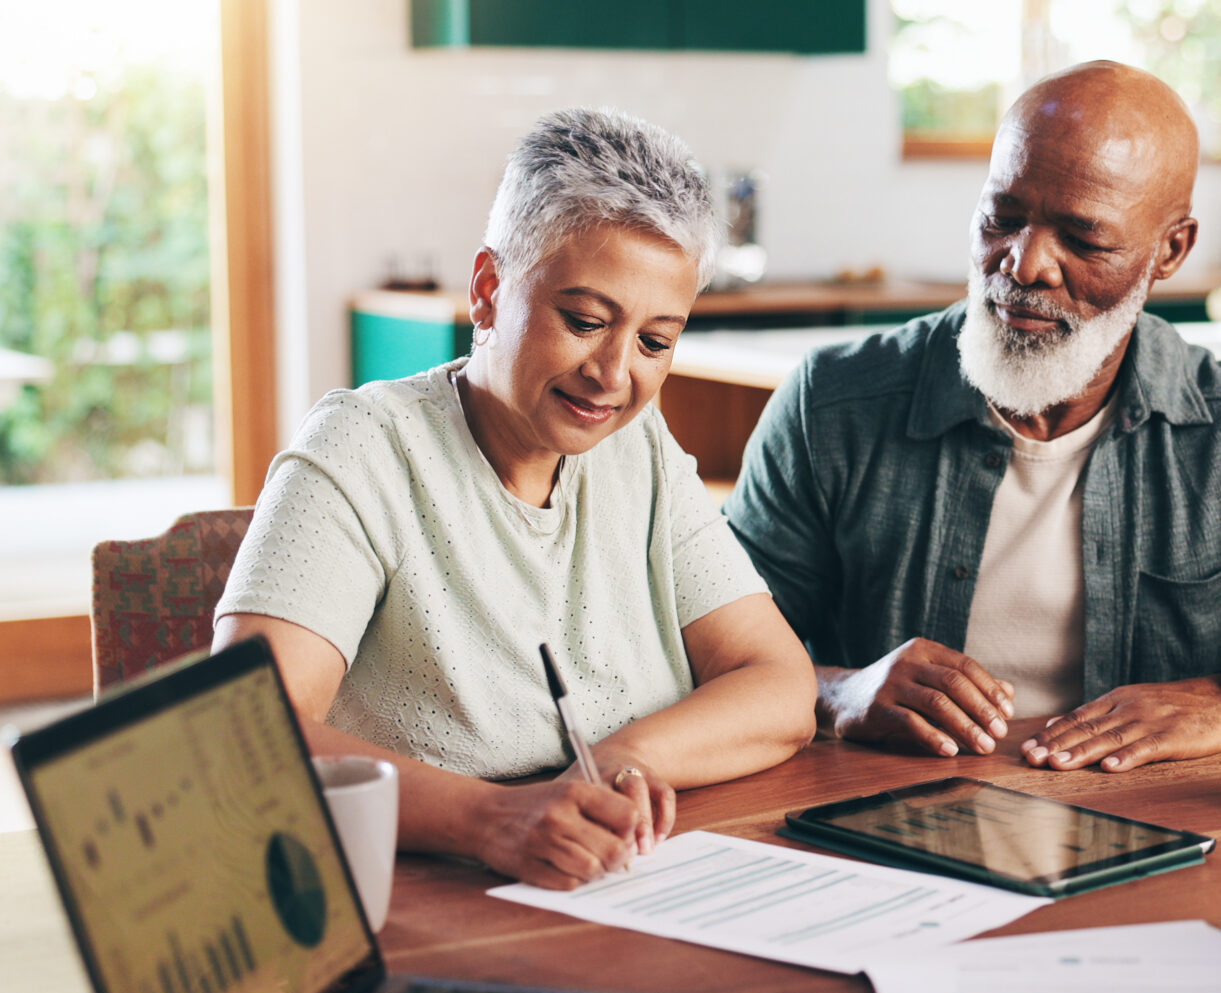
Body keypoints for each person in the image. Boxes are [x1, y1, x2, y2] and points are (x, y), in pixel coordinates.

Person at [724, 62, 1221, 773]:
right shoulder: (833, 404)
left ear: (1169, 252)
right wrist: (840, 691)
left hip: (1134, 831)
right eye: (1002, 217)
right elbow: (696, 651)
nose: (1025, 264)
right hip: (878, 824)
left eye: (1082, 239)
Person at [212, 108, 816, 891]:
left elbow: (780, 684)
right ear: (489, 290)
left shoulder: (640, 450)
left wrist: (617, 764)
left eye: (654, 341)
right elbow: (247, 728)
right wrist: (491, 820)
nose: (613, 373)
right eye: (585, 320)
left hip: (617, 877)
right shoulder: (362, 448)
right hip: (430, 893)